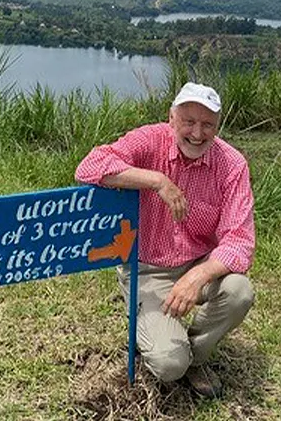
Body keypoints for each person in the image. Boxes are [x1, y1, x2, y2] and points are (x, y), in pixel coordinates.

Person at [75, 82, 255, 398]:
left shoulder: (232, 164)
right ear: (171, 118)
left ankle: (197, 355)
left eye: (207, 124)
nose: (197, 133)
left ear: (218, 126)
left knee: (239, 291)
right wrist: (157, 180)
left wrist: (197, 276)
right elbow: (89, 167)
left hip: (200, 261)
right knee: (169, 365)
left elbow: (239, 240)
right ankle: (168, 346)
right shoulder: (149, 140)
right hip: (147, 268)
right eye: (188, 121)